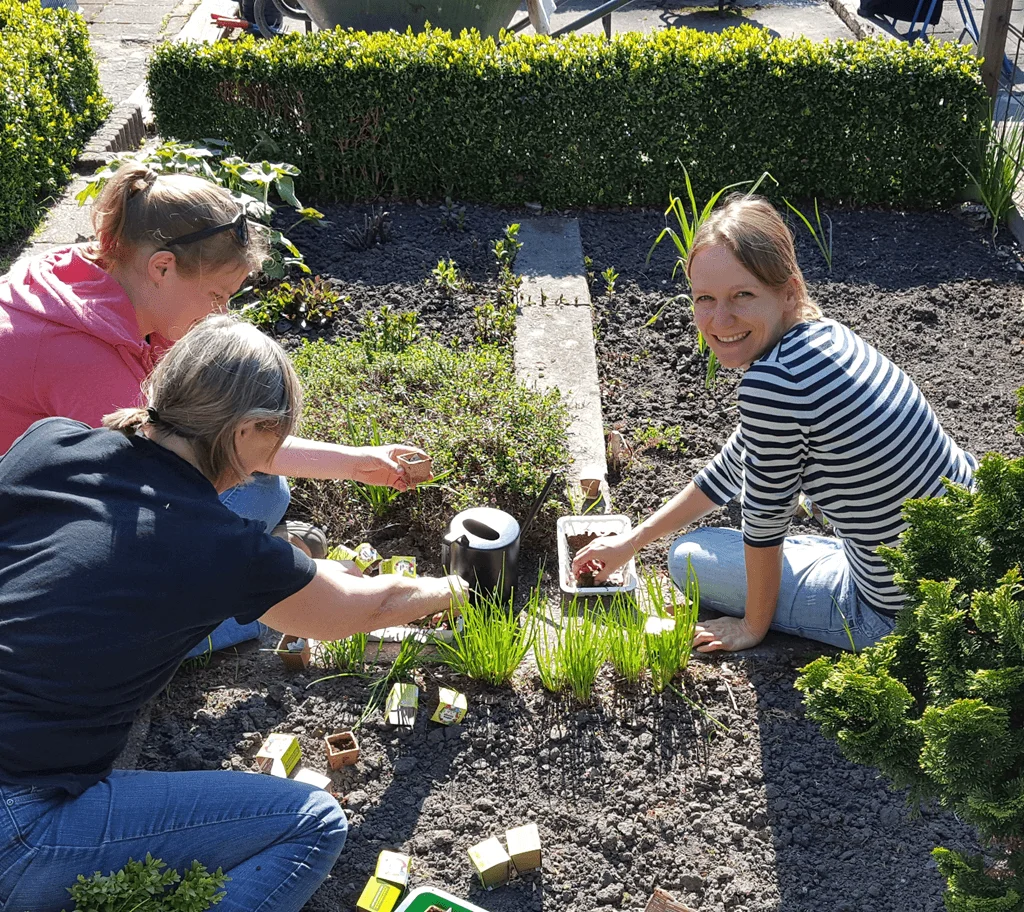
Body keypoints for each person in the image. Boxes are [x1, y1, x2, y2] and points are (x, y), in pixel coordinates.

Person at [0, 315, 469, 912]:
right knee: (312, 822)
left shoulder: (50, 443)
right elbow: (354, 611)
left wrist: (346, 471)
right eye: (275, 439)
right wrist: (458, 586)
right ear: (249, 429)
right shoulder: (216, 544)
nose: (273, 455)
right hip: (18, 826)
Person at [0, 163, 429, 656]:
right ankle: (221, 620)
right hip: (29, 562)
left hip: (63, 506)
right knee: (246, 510)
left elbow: (213, 436)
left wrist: (356, 462)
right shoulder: (83, 360)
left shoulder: (102, 284)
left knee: (264, 490)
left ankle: (256, 573)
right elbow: (147, 519)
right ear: (162, 267)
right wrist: (290, 585)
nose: (220, 315)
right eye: (217, 295)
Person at [573, 195, 976, 653]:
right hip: (967, 566)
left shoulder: (774, 383)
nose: (719, 319)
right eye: (704, 298)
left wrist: (752, 625)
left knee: (689, 558)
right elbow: (735, 462)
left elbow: (764, 526)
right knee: (716, 545)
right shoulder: (826, 337)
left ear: (788, 290)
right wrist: (633, 539)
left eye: (742, 295)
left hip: (896, 612)